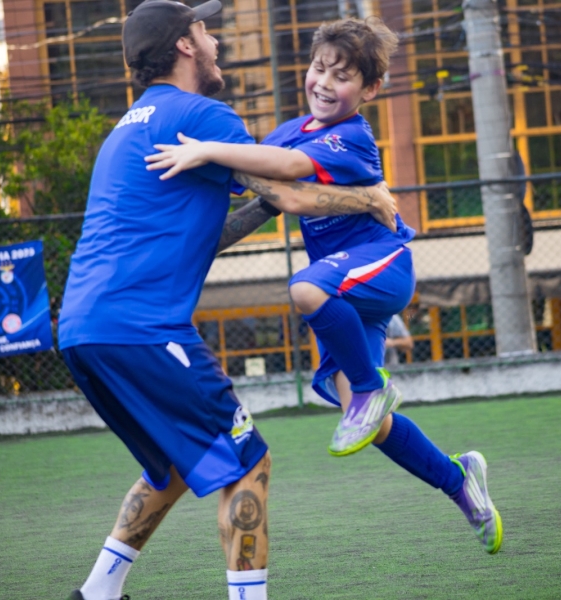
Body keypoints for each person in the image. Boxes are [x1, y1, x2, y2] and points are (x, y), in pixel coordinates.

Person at [58, 2, 402, 599]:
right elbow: (291, 195)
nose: (215, 41)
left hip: (82, 329)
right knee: (248, 464)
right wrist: (369, 199)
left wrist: (264, 202)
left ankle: (97, 593)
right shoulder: (202, 115)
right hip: (144, 328)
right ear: (185, 46)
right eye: (205, 30)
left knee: (170, 467)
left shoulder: (127, 128)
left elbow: (208, 235)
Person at [146, 16, 502, 554]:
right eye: (319, 68)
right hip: (346, 287)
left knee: (305, 291)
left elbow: (288, 170)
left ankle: (371, 388)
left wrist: (208, 149)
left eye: (342, 76)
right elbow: (264, 190)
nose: (325, 83)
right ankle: (459, 480)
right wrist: (192, 230)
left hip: (380, 265)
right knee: (371, 425)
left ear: (370, 90)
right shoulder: (291, 130)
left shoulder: (352, 136)